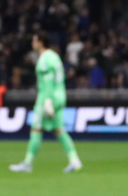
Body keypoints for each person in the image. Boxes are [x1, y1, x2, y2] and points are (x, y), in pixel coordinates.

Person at [10, 33, 82, 173]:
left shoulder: (45, 59)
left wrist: (48, 101)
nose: (32, 42)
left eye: (35, 40)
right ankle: (74, 160)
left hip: (48, 97)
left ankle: (27, 163)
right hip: (60, 95)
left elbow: (48, 81)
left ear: (41, 42)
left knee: (36, 129)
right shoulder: (54, 56)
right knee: (59, 129)